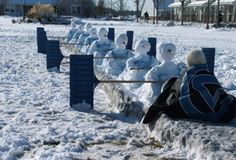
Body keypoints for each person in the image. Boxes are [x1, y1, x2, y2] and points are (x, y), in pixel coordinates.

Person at [142, 49, 236, 124]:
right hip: (218, 112)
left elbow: (181, 93)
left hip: (200, 114)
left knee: (171, 91)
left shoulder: (188, 74)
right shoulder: (209, 74)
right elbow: (219, 91)